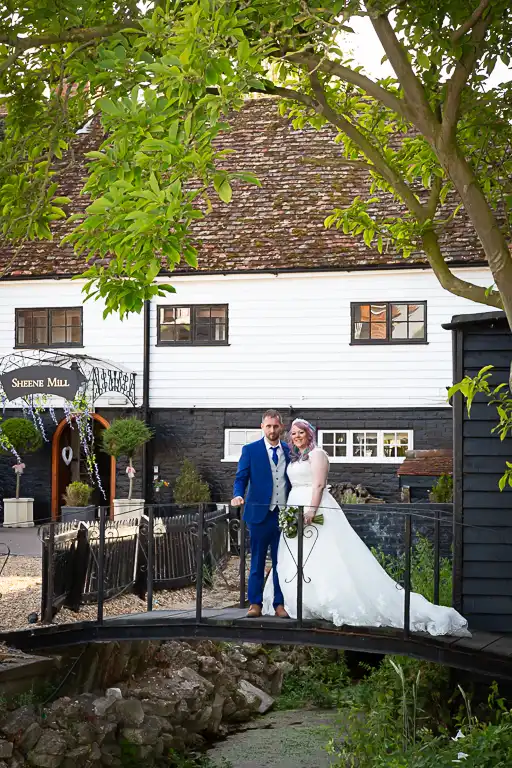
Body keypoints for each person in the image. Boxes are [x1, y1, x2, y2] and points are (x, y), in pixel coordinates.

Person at [262, 418, 470, 636]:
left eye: (301, 432)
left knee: (325, 554)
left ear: (309, 434)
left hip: (314, 507)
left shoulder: (317, 454)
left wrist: (312, 510)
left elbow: (319, 484)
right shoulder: (295, 458)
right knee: (298, 556)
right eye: (293, 433)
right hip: (294, 505)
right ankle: (301, 601)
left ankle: (329, 600)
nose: (296, 436)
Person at [231, 409, 291, 618]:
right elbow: (241, 478)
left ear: (281, 427)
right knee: (256, 561)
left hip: (283, 515)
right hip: (258, 514)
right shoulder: (250, 450)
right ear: (262, 427)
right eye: (268, 426)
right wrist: (238, 495)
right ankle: (254, 603)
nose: (272, 430)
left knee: (280, 563)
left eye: (276, 426)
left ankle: (279, 604)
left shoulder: (289, 450)